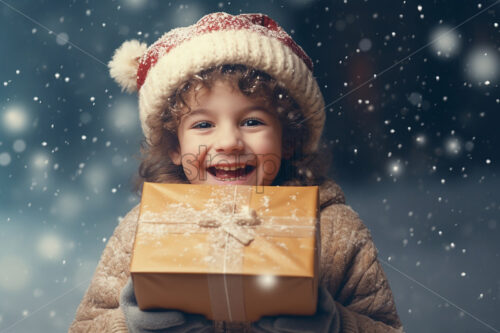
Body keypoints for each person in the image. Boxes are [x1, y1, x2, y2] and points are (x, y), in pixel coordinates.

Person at [69, 12, 404, 333]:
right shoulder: (140, 231)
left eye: (252, 121)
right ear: (174, 146)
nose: (229, 142)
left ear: (288, 139)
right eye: (203, 124)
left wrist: (336, 326)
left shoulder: (335, 232)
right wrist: (127, 326)